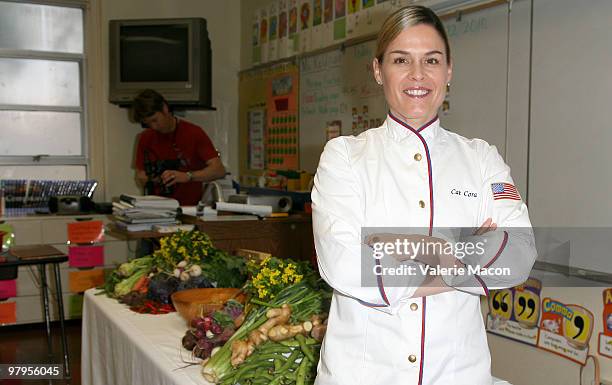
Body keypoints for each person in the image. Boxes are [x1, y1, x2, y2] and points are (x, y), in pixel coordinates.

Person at [311, 5, 536, 385]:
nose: (418, 75)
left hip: (456, 373)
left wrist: (397, 247)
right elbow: (345, 264)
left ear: (449, 71)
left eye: (431, 60)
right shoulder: (344, 157)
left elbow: (518, 254)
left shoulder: (482, 159)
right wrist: (461, 255)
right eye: (402, 60)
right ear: (379, 71)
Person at [132, 89, 226, 206]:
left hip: (190, 209)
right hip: (156, 209)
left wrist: (187, 176)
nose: (153, 126)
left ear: (165, 108)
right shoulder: (145, 138)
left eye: (155, 120)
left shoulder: (193, 133)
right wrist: (154, 179)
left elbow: (219, 170)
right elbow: (140, 175)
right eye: (148, 123)